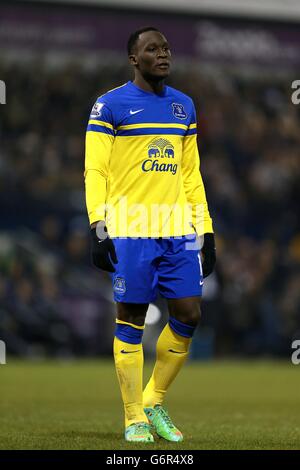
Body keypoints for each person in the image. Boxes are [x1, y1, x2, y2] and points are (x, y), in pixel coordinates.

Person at [84, 26, 216, 443]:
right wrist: (98, 226)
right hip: (131, 229)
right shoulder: (109, 106)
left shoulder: (184, 107)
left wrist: (206, 229)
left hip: (177, 231)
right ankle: (132, 416)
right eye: (152, 49)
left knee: (189, 314)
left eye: (166, 48)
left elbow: (191, 174)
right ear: (133, 59)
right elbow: (96, 171)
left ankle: (154, 399)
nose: (163, 54)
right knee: (132, 320)